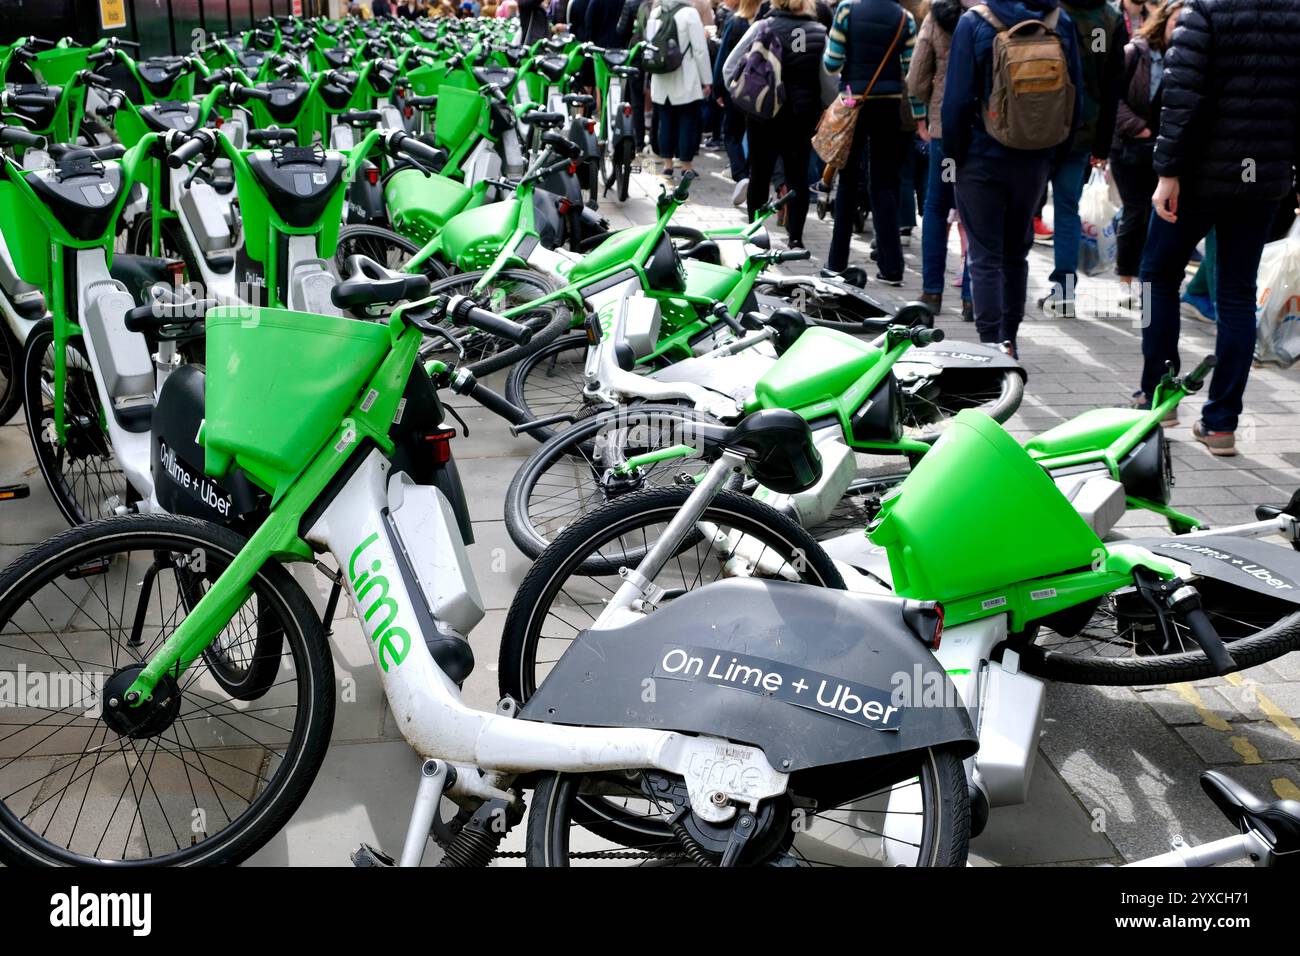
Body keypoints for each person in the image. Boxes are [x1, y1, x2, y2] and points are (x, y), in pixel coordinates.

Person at [1137, 0, 1300, 457]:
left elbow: (1181, 96)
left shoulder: (1204, 12)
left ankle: (1158, 394)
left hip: (1198, 177)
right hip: (1262, 177)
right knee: (1237, 293)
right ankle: (1222, 421)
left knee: (1157, 279)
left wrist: (1167, 173)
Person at [942, 0, 1084, 356]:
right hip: (1035, 157)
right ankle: (1010, 338)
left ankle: (991, 343)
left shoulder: (975, 22)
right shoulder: (1058, 19)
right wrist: (1056, 155)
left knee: (985, 255)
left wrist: (954, 155)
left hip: (980, 154)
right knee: (1016, 254)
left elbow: (956, 99)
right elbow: (1075, 93)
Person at [823, 0, 923, 285]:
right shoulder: (904, 18)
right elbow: (910, 72)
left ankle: (836, 262)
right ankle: (892, 268)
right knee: (883, 185)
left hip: (854, 103)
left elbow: (832, 64)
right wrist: (919, 117)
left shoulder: (846, 10)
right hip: (889, 107)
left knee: (848, 179)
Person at [1038, 0, 1126, 318]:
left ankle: (1004, 285)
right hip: (1083, 131)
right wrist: (1102, 147)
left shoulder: (1048, 9)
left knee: (1020, 209)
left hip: (1038, 126)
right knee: (1066, 210)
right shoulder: (1109, 19)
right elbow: (1111, 87)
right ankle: (1064, 292)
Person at [724, 0, 831, 247]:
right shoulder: (818, 33)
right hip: (801, 116)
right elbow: (827, 80)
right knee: (798, 177)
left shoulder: (762, 27)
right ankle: (795, 238)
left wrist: (740, 93)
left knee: (759, 175)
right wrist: (827, 104)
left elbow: (730, 67)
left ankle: (755, 234)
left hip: (763, 113)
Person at [1110, 0, 1181, 310]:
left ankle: (1149, 281)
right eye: (1176, 24)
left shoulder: (1185, 57)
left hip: (1162, 150)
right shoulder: (1134, 52)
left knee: (1160, 216)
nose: (1181, 31)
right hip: (1129, 147)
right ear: (1162, 22)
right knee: (1136, 212)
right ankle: (1125, 279)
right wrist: (1138, 127)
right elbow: (1111, 97)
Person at [908, 0, 970, 317]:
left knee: (936, 206)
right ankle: (972, 297)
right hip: (981, 131)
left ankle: (932, 291)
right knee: (975, 210)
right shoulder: (994, 14)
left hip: (944, 130)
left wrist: (928, 105)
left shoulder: (936, 16)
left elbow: (917, 78)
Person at [646, 0, 713, 178]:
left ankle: (667, 165)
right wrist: (707, 79)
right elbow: (700, 50)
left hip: (661, 76)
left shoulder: (656, 12)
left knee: (665, 121)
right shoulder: (690, 14)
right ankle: (686, 166)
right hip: (686, 76)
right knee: (687, 122)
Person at [713, 0, 760, 203]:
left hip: (736, 87)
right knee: (754, 134)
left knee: (731, 133)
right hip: (761, 89)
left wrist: (718, 88)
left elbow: (724, 58)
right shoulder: (766, 22)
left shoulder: (735, 22)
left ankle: (741, 175)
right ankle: (749, 173)